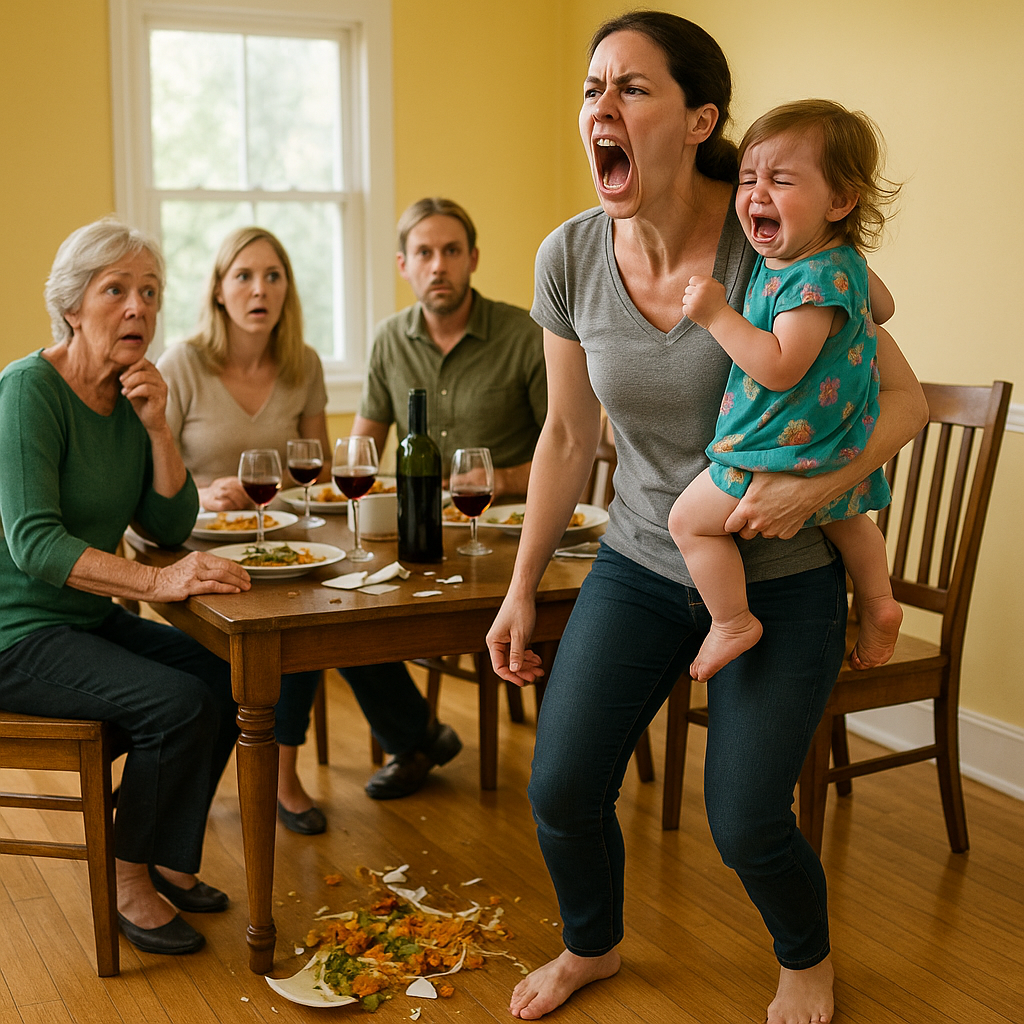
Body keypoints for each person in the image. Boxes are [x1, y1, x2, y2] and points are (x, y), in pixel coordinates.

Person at [485, 12, 927, 1024]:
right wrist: (520, 588)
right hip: (641, 559)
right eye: (592, 88)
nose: (602, 106)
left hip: (783, 575)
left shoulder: (771, 233)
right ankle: (591, 944)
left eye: (632, 87)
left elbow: (903, 400)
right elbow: (566, 436)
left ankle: (806, 957)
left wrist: (814, 489)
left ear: (698, 121)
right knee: (561, 787)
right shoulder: (569, 256)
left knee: (743, 818)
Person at [0, 218, 252, 956]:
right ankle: (127, 876)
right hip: (16, 635)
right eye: (116, 290)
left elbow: (168, 521)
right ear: (72, 306)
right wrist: (156, 581)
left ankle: (167, 857)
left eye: (149, 291)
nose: (138, 306)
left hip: (81, 621)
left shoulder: (129, 393)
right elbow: (34, 543)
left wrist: (159, 427)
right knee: (174, 704)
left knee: (226, 673)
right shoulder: (28, 391)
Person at [669, 99, 904, 684]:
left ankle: (732, 621)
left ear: (840, 201)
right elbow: (885, 307)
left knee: (688, 523)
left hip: (776, 447)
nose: (756, 194)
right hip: (837, 439)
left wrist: (716, 316)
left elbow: (778, 368)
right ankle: (879, 601)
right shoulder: (840, 261)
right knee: (848, 521)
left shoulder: (808, 282)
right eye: (749, 179)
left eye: (780, 180)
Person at [346, 197, 547, 800]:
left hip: (509, 543)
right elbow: (359, 454)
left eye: (452, 251)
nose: (439, 265)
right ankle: (414, 737)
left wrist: (495, 481)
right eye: (425, 253)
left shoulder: (525, 333)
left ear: (473, 258)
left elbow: (569, 450)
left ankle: (562, 769)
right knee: (342, 610)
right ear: (403, 265)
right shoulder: (388, 340)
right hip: (417, 539)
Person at [158, 226, 333, 835]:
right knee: (267, 634)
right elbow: (149, 471)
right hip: (197, 543)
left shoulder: (304, 363)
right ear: (218, 289)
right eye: (244, 276)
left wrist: (280, 493)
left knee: (308, 616)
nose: (260, 289)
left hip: (280, 540)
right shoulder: (182, 363)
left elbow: (319, 469)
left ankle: (282, 775)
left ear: (287, 289)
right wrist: (202, 494)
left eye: (272, 276)